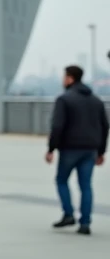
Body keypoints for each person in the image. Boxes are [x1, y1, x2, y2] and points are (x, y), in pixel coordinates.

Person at [47, 64, 109, 235]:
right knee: (86, 186)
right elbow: (105, 127)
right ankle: (85, 223)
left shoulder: (64, 99)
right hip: (90, 149)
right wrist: (101, 151)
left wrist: (51, 149)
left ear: (70, 78)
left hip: (69, 148)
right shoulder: (96, 101)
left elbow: (57, 126)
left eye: (64, 77)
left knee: (61, 180)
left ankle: (68, 214)